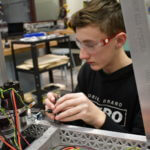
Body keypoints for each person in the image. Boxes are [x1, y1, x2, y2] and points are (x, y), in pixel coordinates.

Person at [45, 0, 145, 135]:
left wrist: (99, 119)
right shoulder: (88, 71)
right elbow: (78, 124)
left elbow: (141, 146)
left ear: (119, 40)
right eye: (80, 44)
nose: (82, 55)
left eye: (90, 45)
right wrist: (60, 112)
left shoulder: (144, 83)